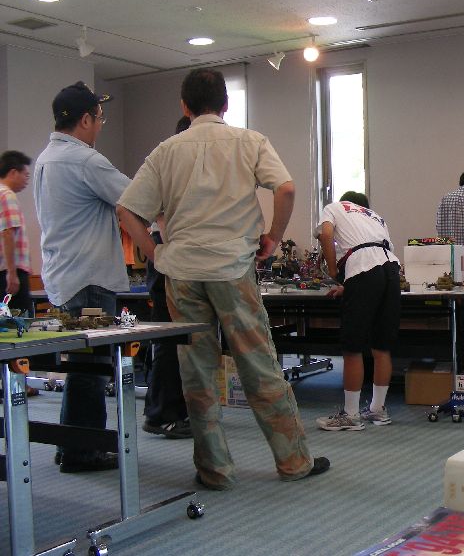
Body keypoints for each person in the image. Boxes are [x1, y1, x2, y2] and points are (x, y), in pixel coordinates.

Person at [117, 68, 329, 489]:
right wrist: (273, 237)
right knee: (258, 363)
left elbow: (127, 209)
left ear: (184, 106)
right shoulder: (249, 141)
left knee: (196, 372)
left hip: (182, 274)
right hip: (233, 268)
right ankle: (293, 461)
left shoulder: (166, 151)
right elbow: (286, 189)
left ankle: (215, 470)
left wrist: (156, 253)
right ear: (226, 105)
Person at [34, 81, 131, 472]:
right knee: (90, 371)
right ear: (86, 119)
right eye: (100, 118)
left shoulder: (46, 158)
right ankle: (82, 451)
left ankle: (70, 444)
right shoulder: (86, 160)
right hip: (90, 282)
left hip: (63, 279)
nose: (101, 125)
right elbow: (133, 198)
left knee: (79, 366)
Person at [314, 191, 401, 431]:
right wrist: (349, 286)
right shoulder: (375, 216)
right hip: (391, 271)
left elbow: (326, 234)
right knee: (381, 347)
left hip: (363, 272)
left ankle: (351, 415)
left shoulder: (335, 207)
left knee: (352, 347)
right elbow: (377, 259)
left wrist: (333, 270)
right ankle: (377, 410)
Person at [141, 115, 192, 439]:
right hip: (168, 255)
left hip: (180, 256)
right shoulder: (167, 163)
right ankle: (161, 414)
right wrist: (164, 254)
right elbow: (151, 215)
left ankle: (177, 409)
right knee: (169, 340)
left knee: (182, 340)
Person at [0, 151, 33, 317]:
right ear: (13, 172)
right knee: (19, 321)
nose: (27, 180)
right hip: (10, 271)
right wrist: (12, 274)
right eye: (25, 175)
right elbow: (8, 233)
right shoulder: (7, 195)